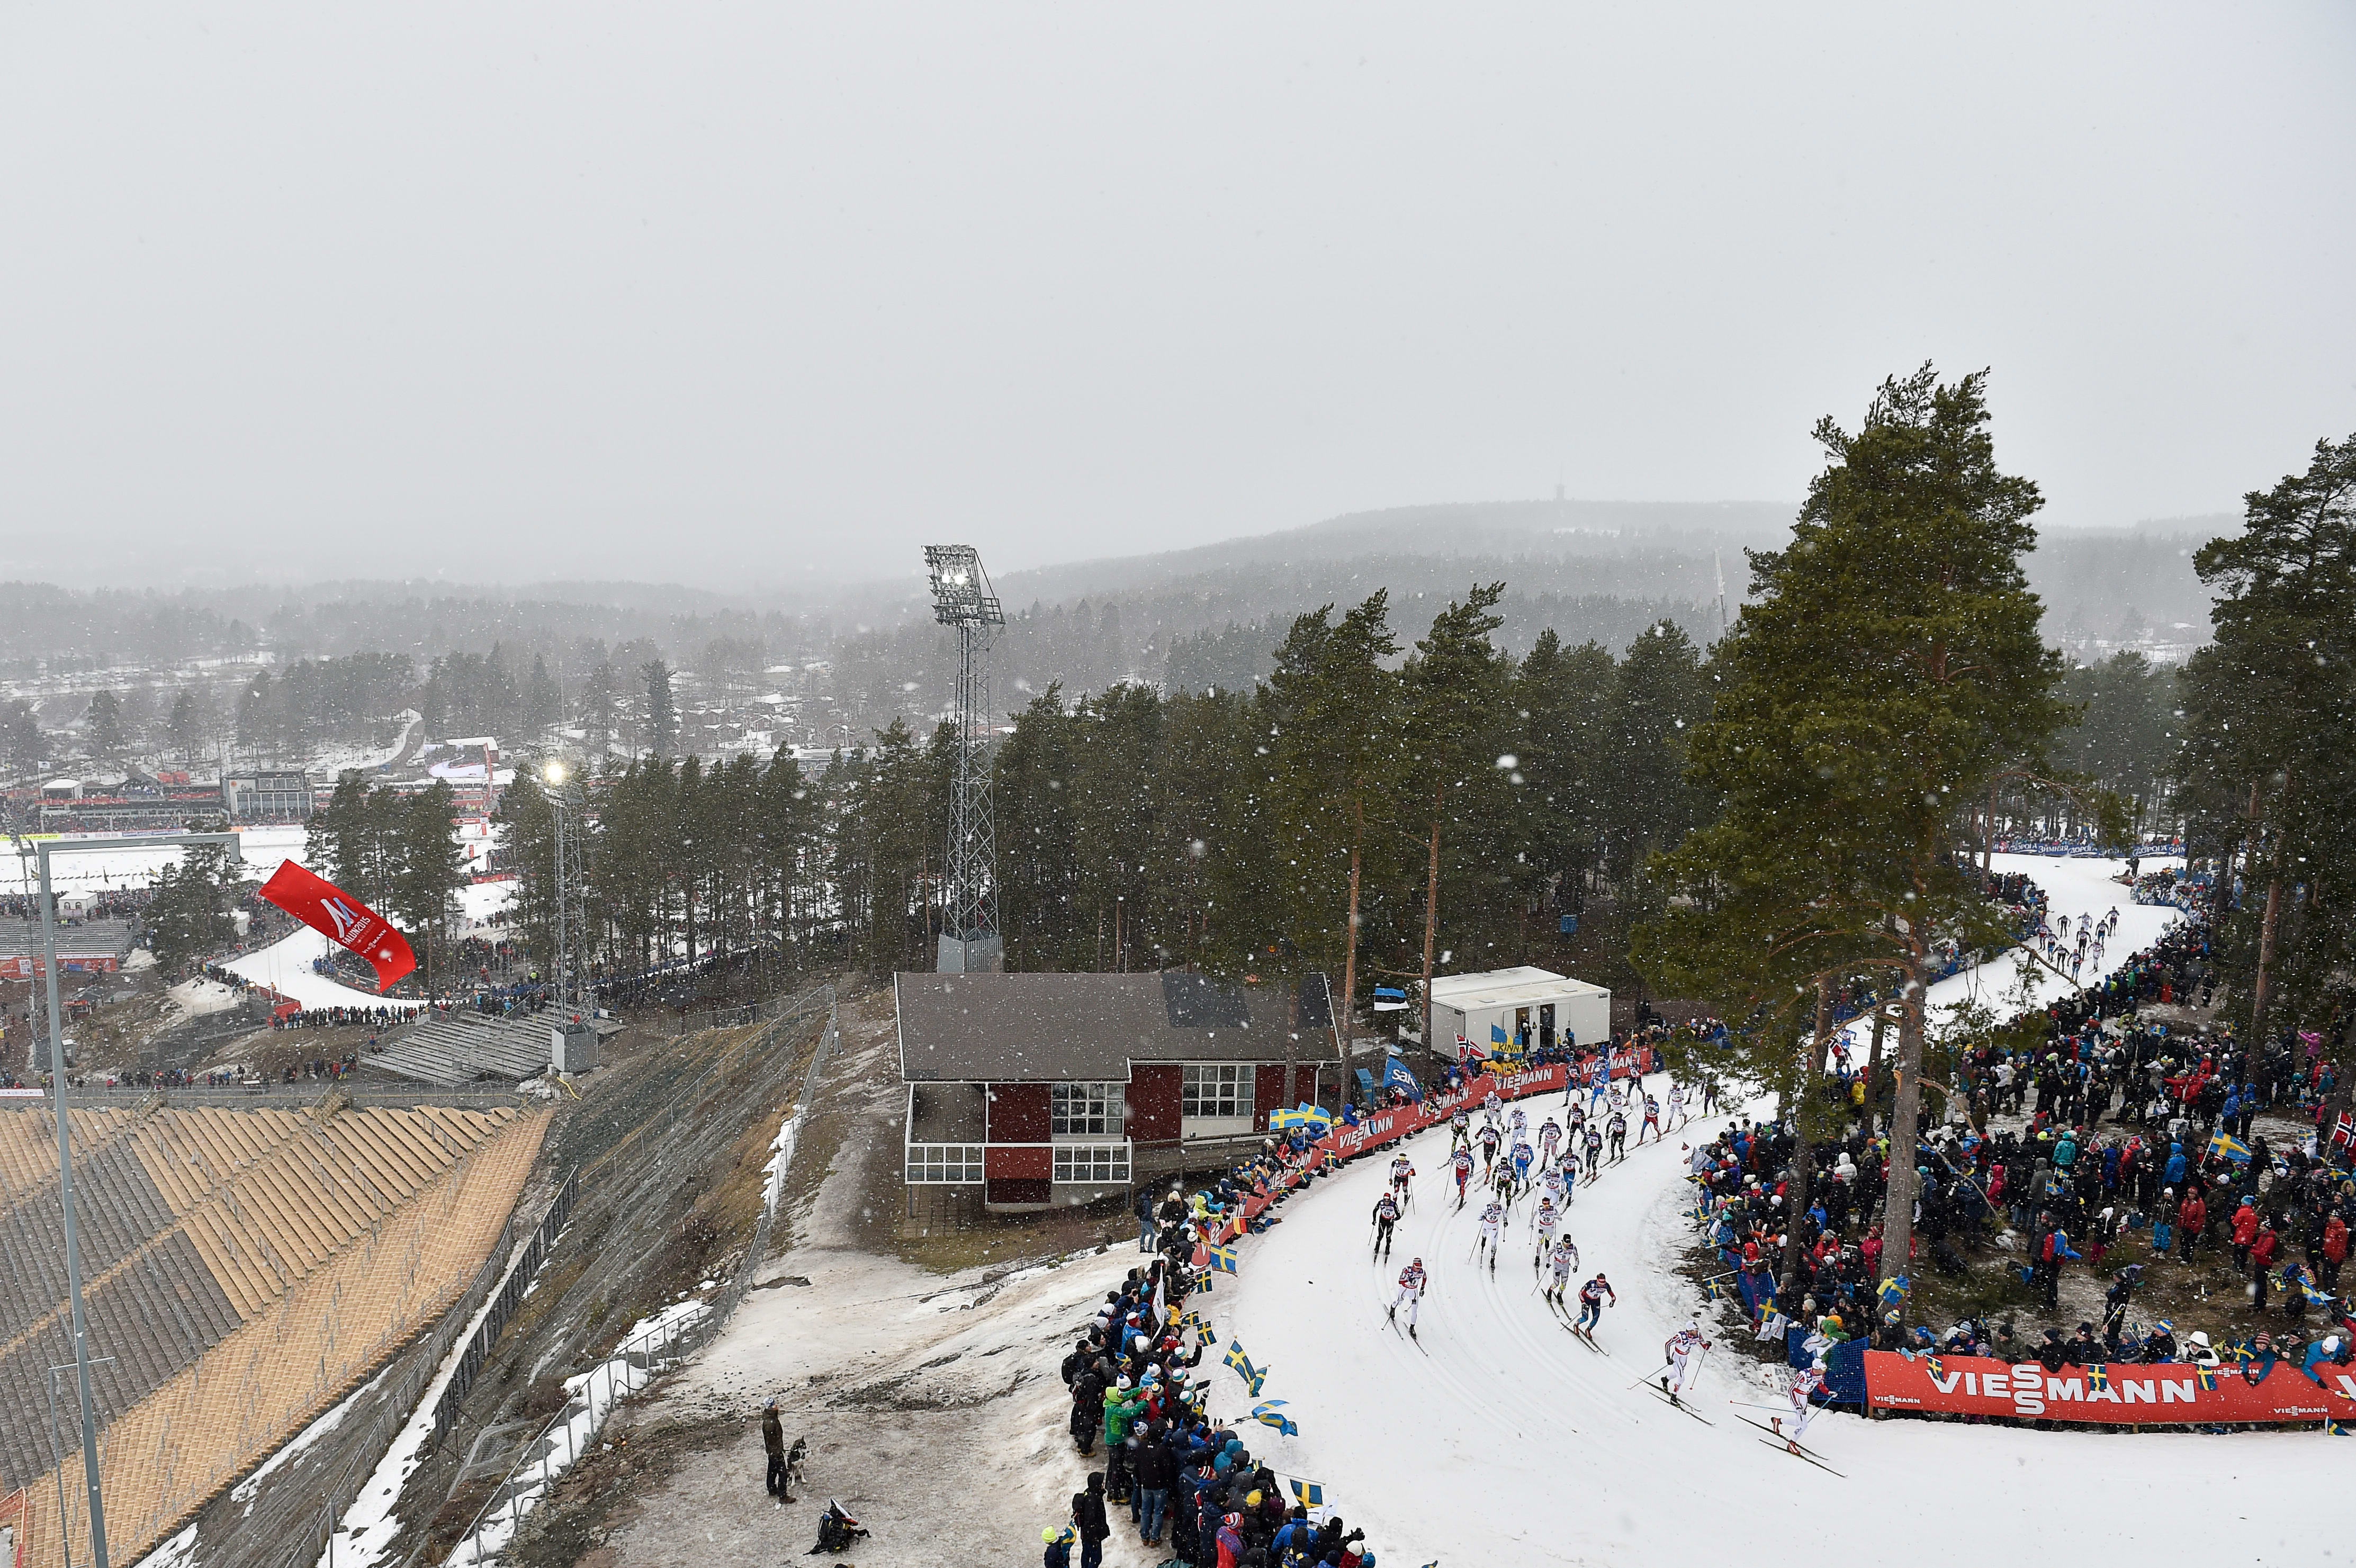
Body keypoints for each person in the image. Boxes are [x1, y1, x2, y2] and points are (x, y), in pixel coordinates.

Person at [1661, 1320, 1710, 1404]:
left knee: (1677, 1373)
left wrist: (1708, 1345)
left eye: (1697, 1330)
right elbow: (1668, 1344)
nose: (1696, 1332)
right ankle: (1673, 1397)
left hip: (1684, 1358)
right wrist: (1668, 1358)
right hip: (1676, 1357)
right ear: (1690, 1330)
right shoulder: (1681, 1336)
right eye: (1695, 1330)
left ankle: (1665, 1379)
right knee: (1681, 1378)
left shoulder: (1698, 1336)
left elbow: (1705, 1346)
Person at [1073, 1473, 1111, 1568]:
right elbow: (1090, 1521)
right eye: (1101, 1483)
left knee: (1086, 1554)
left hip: (1086, 1534)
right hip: (1092, 1536)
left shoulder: (1089, 1493)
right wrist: (1095, 1537)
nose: (1103, 1484)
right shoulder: (1093, 1500)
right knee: (1097, 1559)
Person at [1390, 1257, 1427, 1337]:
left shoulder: (1422, 1272)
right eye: (1417, 1268)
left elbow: (1425, 1277)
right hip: (1405, 1289)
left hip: (1414, 1291)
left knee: (1414, 1310)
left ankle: (1412, 1327)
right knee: (1399, 1302)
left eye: (1420, 1268)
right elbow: (1400, 1281)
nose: (1418, 1270)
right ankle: (1393, 1308)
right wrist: (1408, 1280)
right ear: (1413, 1265)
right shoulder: (1407, 1270)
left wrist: (1422, 1288)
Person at [1574, 1271, 1615, 1335]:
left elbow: (1613, 1296)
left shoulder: (1606, 1286)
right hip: (1587, 1300)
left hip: (1596, 1302)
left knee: (1596, 1318)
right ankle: (1576, 1325)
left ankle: (1588, 1330)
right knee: (1585, 1318)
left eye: (1603, 1284)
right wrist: (1583, 1303)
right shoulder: (1591, 1284)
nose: (1602, 1285)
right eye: (1600, 1284)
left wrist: (1613, 1301)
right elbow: (1580, 1293)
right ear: (1597, 1281)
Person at [761, 1399, 787, 1498]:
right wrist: (777, 1451)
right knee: (783, 1473)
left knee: (772, 1469)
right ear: (770, 1407)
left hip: (773, 1451)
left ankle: (772, 1489)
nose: (777, 1405)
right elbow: (771, 1440)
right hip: (775, 1451)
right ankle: (783, 1495)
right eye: (774, 1404)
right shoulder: (770, 1423)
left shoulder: (771, 1418)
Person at [1545, 1236, 1580, 1307]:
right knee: (1556, 1283)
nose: (1567, 1246)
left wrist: (1576, 1266)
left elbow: (1577, 1258)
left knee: (1564, 1284)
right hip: (1557, 1266)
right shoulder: (1557, 1246)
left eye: (1569, 1244)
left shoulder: (1573, 1247)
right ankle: (1550, 1291)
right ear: (1563, 1242)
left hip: (1565, 1267)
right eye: (1566, 1244)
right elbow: (1548, 1254)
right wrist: (1547, 1263)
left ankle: (1560, 1294)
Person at [1371, 1191, 1401, 1259]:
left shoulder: (1393, 1204)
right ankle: (1377, 1247)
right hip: (1382, 1220)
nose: (1386, 1202)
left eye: (1388, 1201)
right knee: (1380, 1235)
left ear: (1390, 1200)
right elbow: (1375, 1211)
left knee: (1388, 1237)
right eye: (1385, 1201)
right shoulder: (1381, 1203)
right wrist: (1374, 1220)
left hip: (1390, 1221)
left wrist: (1394, 1219)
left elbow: (1399, 1216)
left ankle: (1387, 1249)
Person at [1477, 1197, 1505, 1270]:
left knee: (1494, 1244)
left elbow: (1505, 1214)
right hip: (1487, 1224)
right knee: (1484, 1235)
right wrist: (1483, 1217)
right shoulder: (1487, 1208)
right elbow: (1479, 1217)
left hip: (1495, 1226)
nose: (1495, 1206)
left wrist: (1505, 1221)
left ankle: (1492, 1260)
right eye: (1493, 1204)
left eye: (1496, 1204)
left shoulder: (1500, 1208)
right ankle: (1484, 1240)